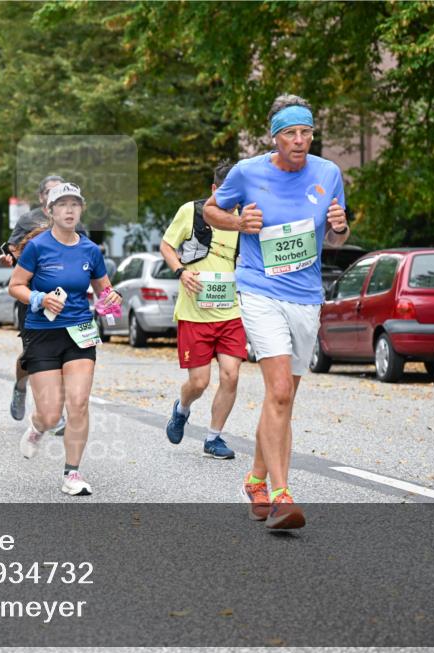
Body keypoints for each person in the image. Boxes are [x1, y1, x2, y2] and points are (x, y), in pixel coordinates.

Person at [203, 94, 349, 530]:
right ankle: (283, 496)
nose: (300, 140)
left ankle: (256, 480)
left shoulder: (328, 173)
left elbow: (335, 240)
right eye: (291, 133)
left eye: (306, 132)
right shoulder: (248, 173)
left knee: (282, 398)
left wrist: (340, 228)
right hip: (259, 289)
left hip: (306, 296)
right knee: (280, 390)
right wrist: (238, 223)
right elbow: (212, 211)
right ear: (276, 136)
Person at [8, 183, 122, 496]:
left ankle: (72, 473)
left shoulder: (89, 250)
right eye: (63, 205)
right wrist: (40, 299)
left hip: (80, 333)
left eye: (75, 204)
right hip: (42, 333)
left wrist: (111, 300)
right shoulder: (37, 247)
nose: (69, 210)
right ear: (50, 211)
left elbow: (104, 290)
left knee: (78, 403)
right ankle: (37, 426)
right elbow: (15, 285)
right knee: (49, 413)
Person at [162, 161, 245, 460]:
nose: (232, 201)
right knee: (199, 382)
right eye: (226, 193)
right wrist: (181, 272)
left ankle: (214, 438)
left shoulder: (245, 220)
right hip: (195, 313)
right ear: (214, 190)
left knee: (231, 375)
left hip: (230, 312)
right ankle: (182, 409)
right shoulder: (192, 211)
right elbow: (167, 246)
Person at [4, 175, 70, 430]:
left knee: (62, 355)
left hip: (63, 297)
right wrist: (12, 259)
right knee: (34, 355)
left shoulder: (71, 219)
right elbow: (11, 247)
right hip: (30, 296)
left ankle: (54, 413)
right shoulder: (28, 220)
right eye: (51, 192)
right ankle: (21, 385)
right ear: (42, 197)